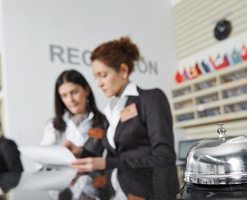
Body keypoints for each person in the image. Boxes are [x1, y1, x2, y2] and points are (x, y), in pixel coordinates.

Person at [71, 37, 176, 172]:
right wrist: (78, 152)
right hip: (120, 191)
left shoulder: (150, 99)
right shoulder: (110, 110)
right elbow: (112, 154)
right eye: (96, 77)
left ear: (123, 70)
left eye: (103, 75)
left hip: (148, 189)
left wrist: (107, 164)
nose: (99, 83)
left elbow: (165, 159)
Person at [40, 69, 106, 158]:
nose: (70, 100)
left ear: (86, 90)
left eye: (74, 92)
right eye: (64, 96)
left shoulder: (104, 122)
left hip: (94, 172)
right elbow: (43, 158)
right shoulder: (53, 125)